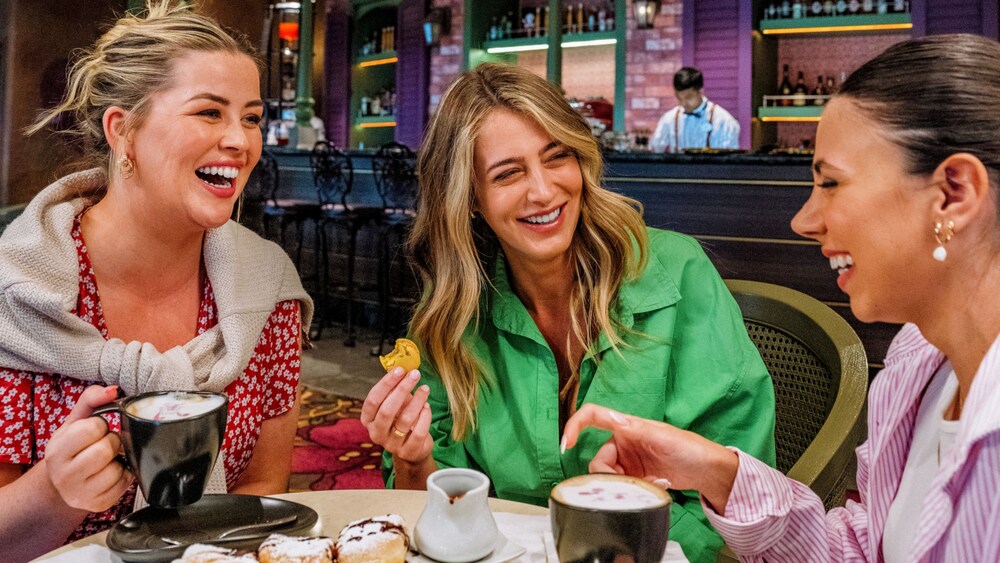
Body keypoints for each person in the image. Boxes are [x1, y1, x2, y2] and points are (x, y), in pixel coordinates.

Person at [562, 34, 1000, 562]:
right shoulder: (915, 365)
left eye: (831, 183)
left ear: (953, 193)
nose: (804, 221)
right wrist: (714, 470)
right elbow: (863, 550)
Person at [361, 62, 776, 563]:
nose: (543, 190)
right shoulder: (450, 319)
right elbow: (437, 509)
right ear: (471, 198)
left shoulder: (678, 274)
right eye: (509, 173)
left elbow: (743, 492)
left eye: (557, 157)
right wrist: (413, 455)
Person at [0, 3, 313, 559]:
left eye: (251, 117)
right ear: (124, 131)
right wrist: (56, 491)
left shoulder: (269, 292)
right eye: (210, 113)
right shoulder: (15, 297)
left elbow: (263, 491)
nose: (241, 142)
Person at [649, 67, 740, 153]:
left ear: (701, 91)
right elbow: (655, 150)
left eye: (688, 98)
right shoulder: (669, 119)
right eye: (679, 98)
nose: (683, 103)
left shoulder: (723, 121)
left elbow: (728, 163)